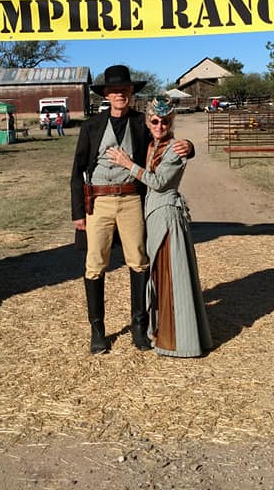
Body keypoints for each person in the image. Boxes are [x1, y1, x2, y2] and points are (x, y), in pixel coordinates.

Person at [71, 65, 194, 354]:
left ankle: (139, 326)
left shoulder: (141, 122)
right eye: (114, 91)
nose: (120, 95)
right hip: (98, 201)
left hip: (130, 200)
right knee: (95, 264)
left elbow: (165, 138)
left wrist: (189, 146)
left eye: (125, 90)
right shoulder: (91, 126)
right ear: (106, 94)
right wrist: (78, 213)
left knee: (138, 260)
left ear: (131, 93)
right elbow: (77, 170)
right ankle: (97, 330)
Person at [106, 97, 212, 358]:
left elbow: (159, 181)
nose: (160, 125)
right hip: (152, 214)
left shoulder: (175, 148)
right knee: (158, 273)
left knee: (169, 273)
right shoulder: (152, 144)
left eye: (165, 121)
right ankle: (161, 330)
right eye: (155, 121)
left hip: (166, 214)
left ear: (171, 122)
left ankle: (177, 338)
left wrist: (127, 164)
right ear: (148, 122)